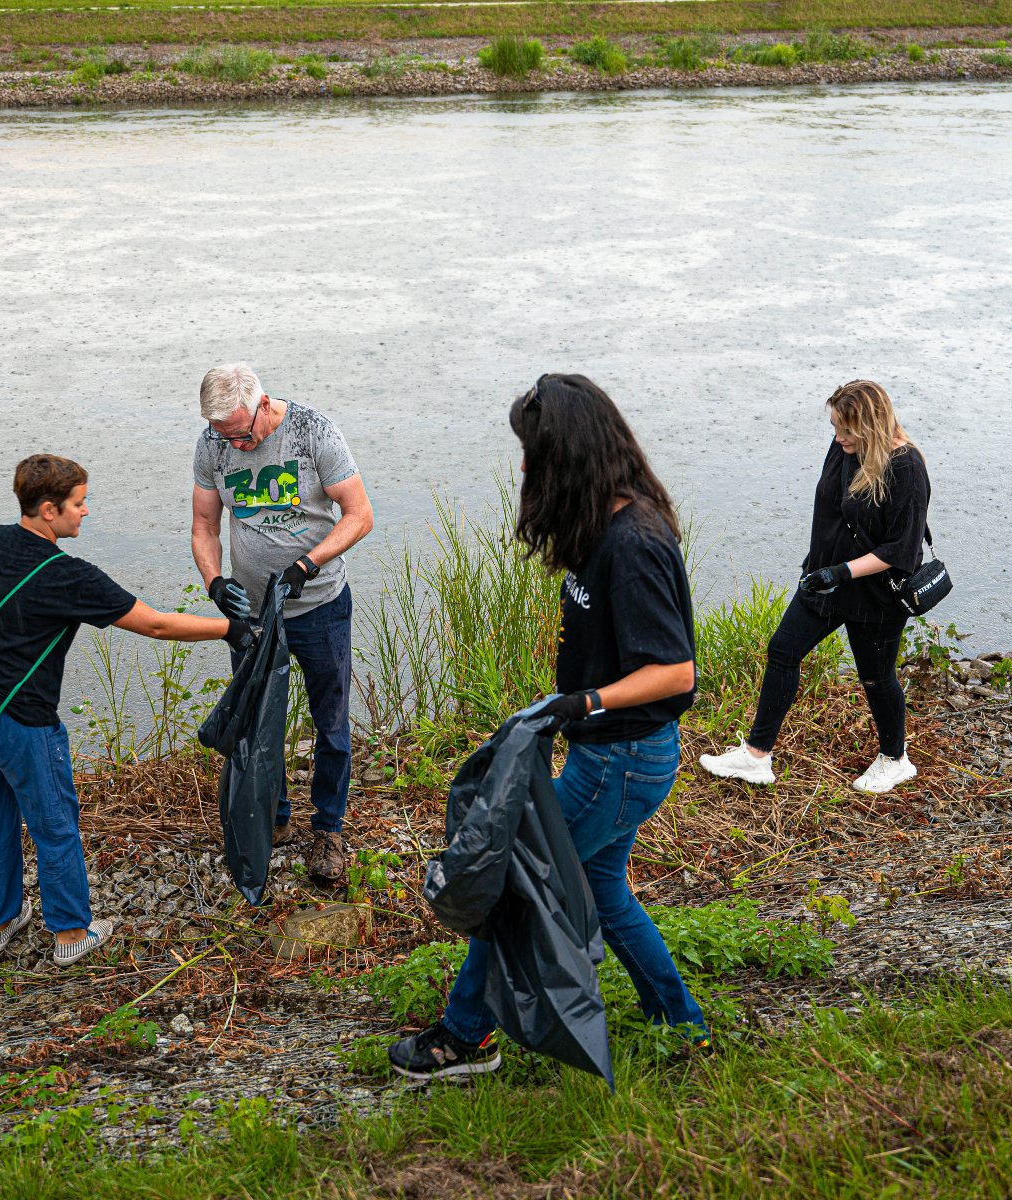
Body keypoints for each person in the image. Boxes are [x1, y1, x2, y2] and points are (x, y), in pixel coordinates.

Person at [388, 373, 708, 1081]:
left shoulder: (633, 543)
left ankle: (463, 1038)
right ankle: (682, 1026)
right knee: (600, 892)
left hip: (619, 763)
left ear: (571, 454)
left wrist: (582, 704)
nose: (526, 467)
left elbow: (675, 672)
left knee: (512, 888)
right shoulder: (607, 525)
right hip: (616, 760)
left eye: (533, 452)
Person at [0, 454, 254, 963]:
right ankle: (69, 935)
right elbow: (156, 625)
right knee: (54, 823)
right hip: (25, 722)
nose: (86, 513)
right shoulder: (66, 576)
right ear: (47, 510)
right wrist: (231, 629)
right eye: (79, 504)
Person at [700, 379, 932, 795]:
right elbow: (828, 508)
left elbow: (900, 549)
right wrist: (819, 565)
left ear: (873, 425)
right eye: (835, 427)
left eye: (847, 429)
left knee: (876, 678)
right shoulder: (844, 448)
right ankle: (756, 757)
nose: (839, 437)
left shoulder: (907, 467)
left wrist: (840, 572)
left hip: (875, 594)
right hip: (824, 581)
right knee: (782, 651)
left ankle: (895, 760)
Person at [190, 363, 374, 886]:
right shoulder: (213, 444)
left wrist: (306, 565)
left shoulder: (314, 432)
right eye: (224, 436)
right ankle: (276, 817)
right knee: (255, 720)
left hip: (319, 604)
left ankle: (328, 830)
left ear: (264, 404)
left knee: (330, 722)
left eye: (242, 435)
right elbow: (204, 526)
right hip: (251, 613)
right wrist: (214, 582)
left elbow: (359, 515)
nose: (235, 447)